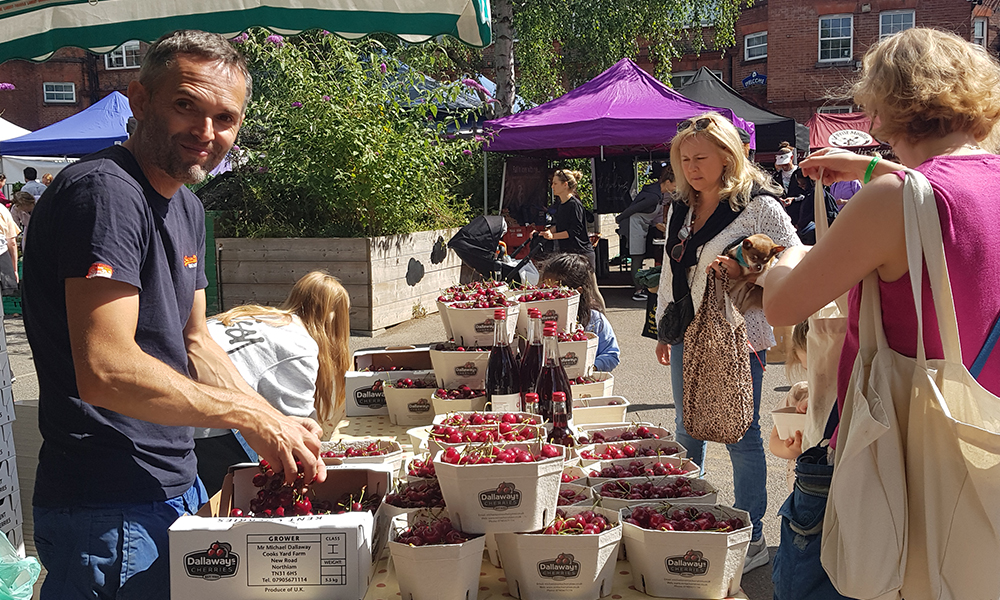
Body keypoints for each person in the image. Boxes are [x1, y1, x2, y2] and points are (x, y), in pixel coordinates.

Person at [21, 30, 326, 600]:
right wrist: (253, 418)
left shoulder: (187, 205)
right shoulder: (104, 193)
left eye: (224, 118)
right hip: (107, 505)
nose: (206, 133)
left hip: (174, 483)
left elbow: (196, 342)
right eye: (186, 105)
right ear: (138, 100)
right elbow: (105, 370)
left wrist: (268, 420)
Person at [762, 28, 1000, 599]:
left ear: (885, 107)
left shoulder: (894, 201)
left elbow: (784, 305)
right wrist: (869, 171)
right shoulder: (968, 184)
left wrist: (784, 260)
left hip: (893, 451)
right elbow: (947, 207)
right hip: (982, 438)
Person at [653, 111, 800, 574]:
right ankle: (684, 515)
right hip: (687, 331)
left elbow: (796, 256)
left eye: (701, 158)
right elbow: (669, 271)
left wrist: (748, 270)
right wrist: (663, 327)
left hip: (740, 334)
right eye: (684, 159)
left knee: (740, 432)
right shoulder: (682, 205)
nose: (692, 167)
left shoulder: (757, 205)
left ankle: (752, 534)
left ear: (727, 156)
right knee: (687, 424)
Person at [194, 271, 351, 495]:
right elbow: (300, 435)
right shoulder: (300, 344)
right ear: (334, 319)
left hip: (178, 407)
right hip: (209, 425)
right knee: (237, 500)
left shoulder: (260, 316)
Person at [540, 253, 620, 372]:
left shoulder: (594, 320)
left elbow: (611, 354)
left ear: (578, 292)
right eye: (545, 290)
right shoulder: (539, 318)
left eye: (555, 292)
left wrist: (592, 366)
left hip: (581, 385)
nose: (549, 296)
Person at [617, 166, 675, 301]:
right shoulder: (653, 197)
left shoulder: (657, 193)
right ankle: (638, 290)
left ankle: (641, 286)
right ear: (667, 183)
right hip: (634, 226)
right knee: (637, 257)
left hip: (641, 226)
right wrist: (619, 219)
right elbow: (633, 209)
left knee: (640, 256)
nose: (675, 189)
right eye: (674, 185)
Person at [538, 169, 595, 270]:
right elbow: (560, 225)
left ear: (565, 185)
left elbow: (574, 231)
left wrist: (553, 236)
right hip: (569, 254)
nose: (552, 186)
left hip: (581, 255)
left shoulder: (574, 205)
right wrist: (547, 232)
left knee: (586, 286)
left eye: (555, 183)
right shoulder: (561, 204)